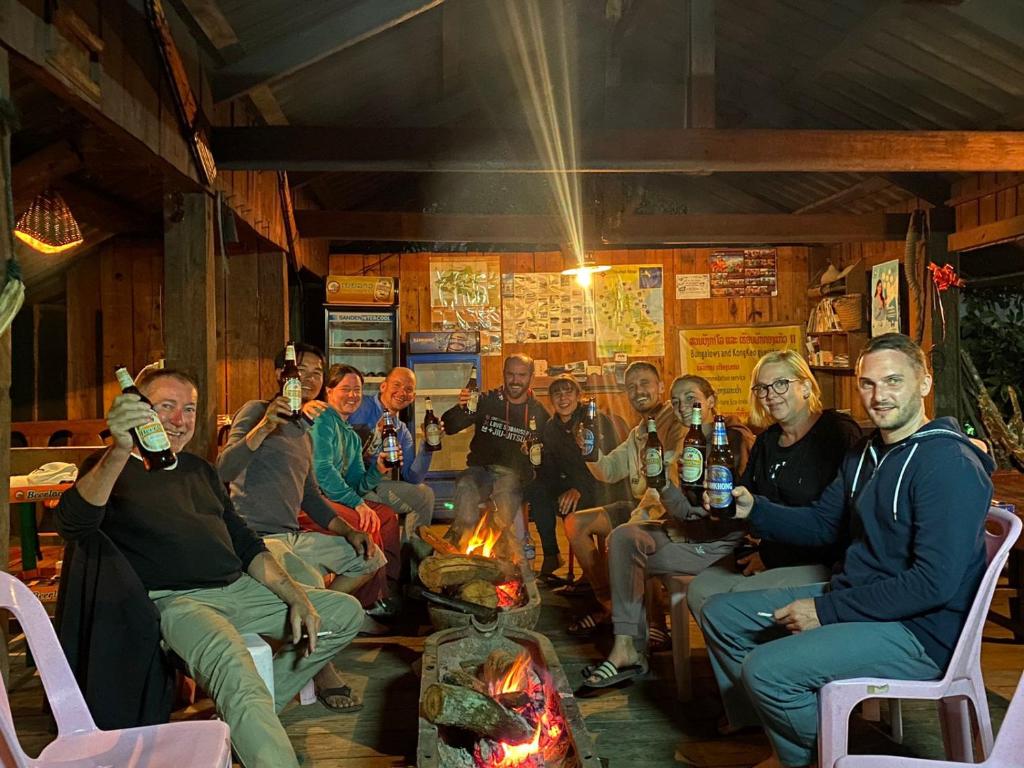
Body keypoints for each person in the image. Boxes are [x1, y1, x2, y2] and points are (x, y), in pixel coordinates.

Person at [700, 334, 995, 768]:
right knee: (720, 614)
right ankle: (789, 742)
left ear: (925, 384)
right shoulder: (866, 453)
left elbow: (934, 583)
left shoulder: (947, 463)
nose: (879, 396)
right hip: (864, 597)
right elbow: (823, 523)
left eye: (893, 381)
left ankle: (828, 758)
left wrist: (826, 611)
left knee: (766, 669)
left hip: (920, 632)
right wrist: (753, 508)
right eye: (868, 384)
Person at [55, 368, 364, 768]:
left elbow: (245, 543)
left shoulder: (198, 469)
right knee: (238, 671)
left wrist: (295, 595)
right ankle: (253, 721)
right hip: (179, 601)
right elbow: (73, 523)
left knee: (344, 613)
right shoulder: (109, 466)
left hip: (237, 589)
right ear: (139, 411)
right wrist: (118, 448)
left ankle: (244, 715)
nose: (180, 421)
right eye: (166, 407)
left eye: (189, 409)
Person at [217, 343, 388, 711]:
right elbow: (222, 470)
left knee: (371, 557)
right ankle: (322, 668)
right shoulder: (255, 412)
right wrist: (263, 428)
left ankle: (312, 630)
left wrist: (350, 531)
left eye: (316, 373)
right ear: (283, 375)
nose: (309, 380)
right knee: (308, 584)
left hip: (291, 535)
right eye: (302, 371)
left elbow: (311, 497)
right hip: (256, 537)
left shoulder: (305, 432)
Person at [686, 352, 862, 643]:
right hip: (771, 554)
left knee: (732, 602)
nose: (770, 395)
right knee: (699, 590)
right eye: (762, 388)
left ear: (806, 387)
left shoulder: (837, 434)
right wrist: (712, 497)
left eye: (781, 384)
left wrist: (768, 556)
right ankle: (739, 679)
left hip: (823, 563)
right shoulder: (768, 441)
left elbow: (834, 525)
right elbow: (744, 500)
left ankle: (762, 676)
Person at [564, 361, 684, 635]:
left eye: (644, 383)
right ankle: (609, 604)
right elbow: (608, 471)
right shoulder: (637, 433)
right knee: (575, 524)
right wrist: (590, 453)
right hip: (638, 505)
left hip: (667, 512)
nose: (638, 391)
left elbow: (665, 483)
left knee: (635, 537)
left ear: (660, 387)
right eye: (631, 387)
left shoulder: (675, 424)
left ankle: (656, 624)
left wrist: (634, 521)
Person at [311, 364, 402, 619]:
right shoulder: (323, 420)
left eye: (357, 390)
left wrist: (379, 469)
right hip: (313, 502)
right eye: (345, 389)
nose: (352, 396)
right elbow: (323, 471)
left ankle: (387, 590)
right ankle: (366, 604)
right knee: (366, 519)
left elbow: (356, 484)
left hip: (335, 499)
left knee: (386, 515)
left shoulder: (350, 436)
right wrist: (358, 504)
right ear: (329, 392)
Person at [441, 353, 550, 550]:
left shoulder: (539, 412)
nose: (515, 380)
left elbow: (547, 453)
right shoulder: (486, 400)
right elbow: (449, 426)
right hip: (479, 470)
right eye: (511, 374)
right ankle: (464, 551)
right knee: (465, 486)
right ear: (503, 374)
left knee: (504, 504)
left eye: (522, 375)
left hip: (513, 475)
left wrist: (536, 453)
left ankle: (499, 556)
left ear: (531, 377)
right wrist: (462, 407)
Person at [523, 374, 624, 578]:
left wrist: (579, 489)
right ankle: (551, 554)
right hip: (570, 487)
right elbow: (550, 471)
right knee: (536, 490)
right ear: (551, 399)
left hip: (603, 487)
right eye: (557, 393)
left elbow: (613, 464)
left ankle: (593, 576)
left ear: (579, 395)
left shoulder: (595, 420)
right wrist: (535, 456)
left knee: (581, 506)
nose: (563, 398)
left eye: (568, 391)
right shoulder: (551, 428)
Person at [348, 366, 435, 539]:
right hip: (348, 481)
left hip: (374, 482)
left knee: (425, 495)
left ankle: (413, 559)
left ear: (413, 397)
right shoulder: (360, 405)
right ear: (383, 386)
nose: (402, 392)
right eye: (397, 385)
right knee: (380, 508)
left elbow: (413, 477)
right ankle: (383, 559)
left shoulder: (402, 431)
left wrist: (427, 444)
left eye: (408, 389)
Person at [669, 374, 756, 481]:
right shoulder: (691, 443)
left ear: (710, 401)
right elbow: (690, 497)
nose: (682, 407)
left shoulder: (734, 437)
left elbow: (744, 488)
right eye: (675, 402)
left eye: (690, 398)